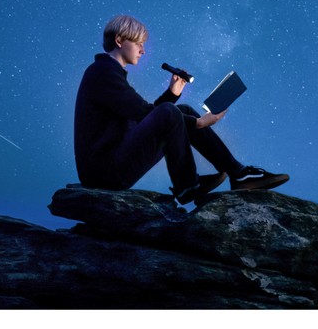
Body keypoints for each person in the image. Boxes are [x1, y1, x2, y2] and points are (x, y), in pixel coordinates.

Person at [74, 14, 289, 204]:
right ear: (119, 40)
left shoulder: (108, 73)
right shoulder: (101, 73)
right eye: (138, 43)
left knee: (179, 108)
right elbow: (145, 113)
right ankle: (187, 185)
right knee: (171, 112)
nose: (142, 50)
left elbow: (145, 118)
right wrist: (198, 122)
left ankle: (238, 175)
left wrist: (173, 93)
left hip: (112, 164)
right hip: (103, 172)